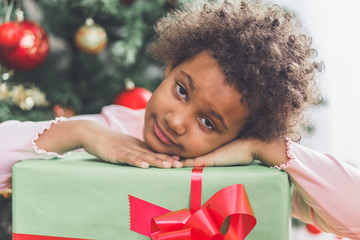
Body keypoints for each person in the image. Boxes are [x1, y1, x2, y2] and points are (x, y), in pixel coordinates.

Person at [0, 0, 359, 239]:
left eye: (208, 123)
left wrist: (268, 148)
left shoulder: (254, 170)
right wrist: (79, 131)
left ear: (239, 135)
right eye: (182, 90)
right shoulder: (117, 129)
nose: (175, 120)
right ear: (171, 67)